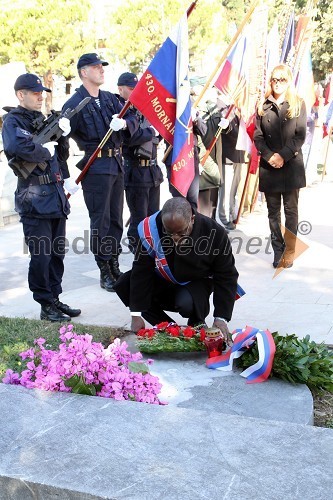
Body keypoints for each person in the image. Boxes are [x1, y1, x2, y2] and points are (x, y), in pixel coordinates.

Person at [1, 73, 81, 321]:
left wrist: (63, 136)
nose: (40, 96)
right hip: (34, 198)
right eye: (34, 93)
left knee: (57, 252)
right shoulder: (12, 122)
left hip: (54, 196)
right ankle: (45, 303)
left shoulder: (42, 120)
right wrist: (42, 150)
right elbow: (16, 148)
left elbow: (59, 156)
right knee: (41, 255)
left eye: (41, 93)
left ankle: (55, 298)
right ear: (20, 95)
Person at [114, 197, 239, 343]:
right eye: (169, 232)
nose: (175, 238)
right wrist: (135, 314)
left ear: (192, 219)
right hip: (165, 279)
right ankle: (167, 327)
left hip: (195, 284)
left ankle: (196, 321)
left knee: (185, 302)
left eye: (181, 233)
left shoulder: (214, 232)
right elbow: (141, 270)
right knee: (126, 284)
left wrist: (221, 318)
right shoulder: (152, 228)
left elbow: (226, 275)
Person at [62, 54, 138, 292]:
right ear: (84, 72)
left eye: (102, 66)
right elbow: (60, 140)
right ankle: (104, 268)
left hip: (116, 163)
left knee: (116, 218)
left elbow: (132, 117)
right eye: (96, 67)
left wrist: (124, 124)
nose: (101, 70)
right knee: (101, 220)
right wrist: (65, 175)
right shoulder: (74, 103)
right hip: (95, 168)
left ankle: (114, 263)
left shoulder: (109, 99)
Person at [254, 64, 307, 268]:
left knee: (291, 211)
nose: (278, 83)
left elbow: (300, 136)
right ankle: (278, 251)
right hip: (270, 166)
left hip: (291, 164)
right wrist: (270, 157)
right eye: (274, 79)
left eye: (282, 79)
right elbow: (258, 137)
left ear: (288, 81)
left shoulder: (298, 103)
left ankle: (290, 251)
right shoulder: (263, 105)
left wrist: (282, 156)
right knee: (273, 212)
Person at [117, 72, 164, 253]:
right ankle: (139, 253)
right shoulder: (121, 111)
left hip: (152, 170)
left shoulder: (142, 110)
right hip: (136, 171)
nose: (135, 92)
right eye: (131, 89)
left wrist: (154, 134)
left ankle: (151, 252)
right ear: (120, 89)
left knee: (153, 217)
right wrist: (151, 133)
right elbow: (129, 138)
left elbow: (154, 138)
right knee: (139, 219)